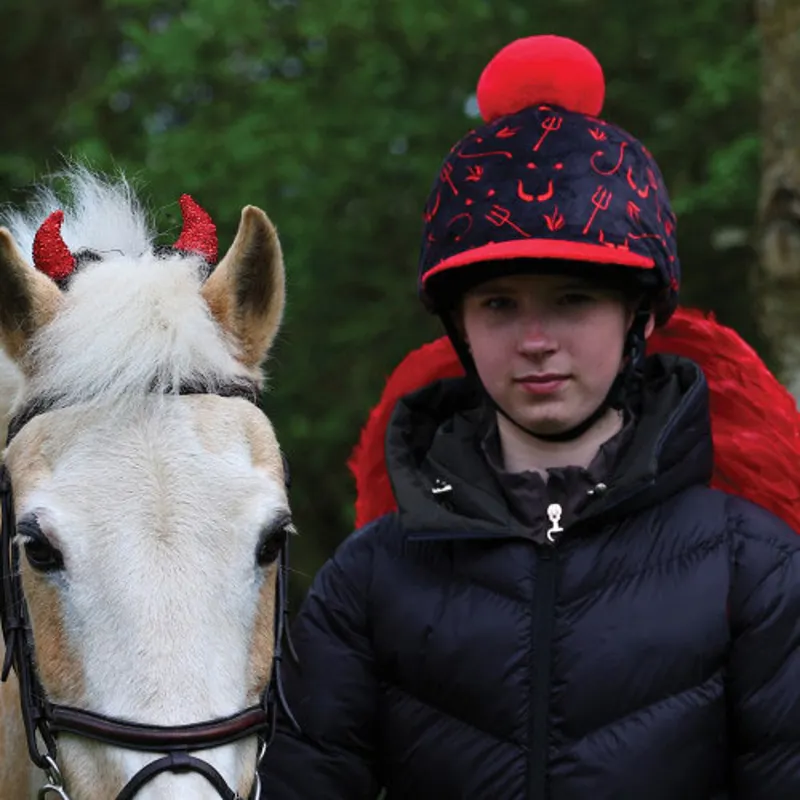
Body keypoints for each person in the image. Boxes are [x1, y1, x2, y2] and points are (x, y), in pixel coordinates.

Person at [261, 35, 800, 798]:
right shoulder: (372, 575)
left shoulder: (756, 567)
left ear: (640, 317)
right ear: (459, 326)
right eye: (499, 305)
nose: (537, 340)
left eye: (573, 300)